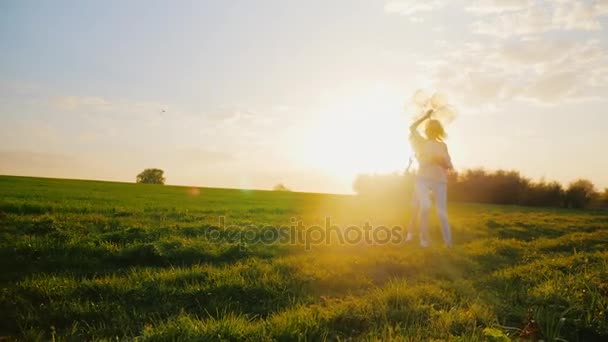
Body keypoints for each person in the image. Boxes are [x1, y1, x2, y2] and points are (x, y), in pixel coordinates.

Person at [408, 109, 453, 247]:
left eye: (435, 129)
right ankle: (424, 240)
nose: (432, 131)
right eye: (430, 129)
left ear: (438, 131)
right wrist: (425, 117)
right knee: (425, 206)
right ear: (427, 131)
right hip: (422, 179)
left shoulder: (442, 145)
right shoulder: (421, 143)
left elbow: (449, 165)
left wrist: (440, 161)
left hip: (440, 181)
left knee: (442, 213)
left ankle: (448, 244)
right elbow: (412, 127)